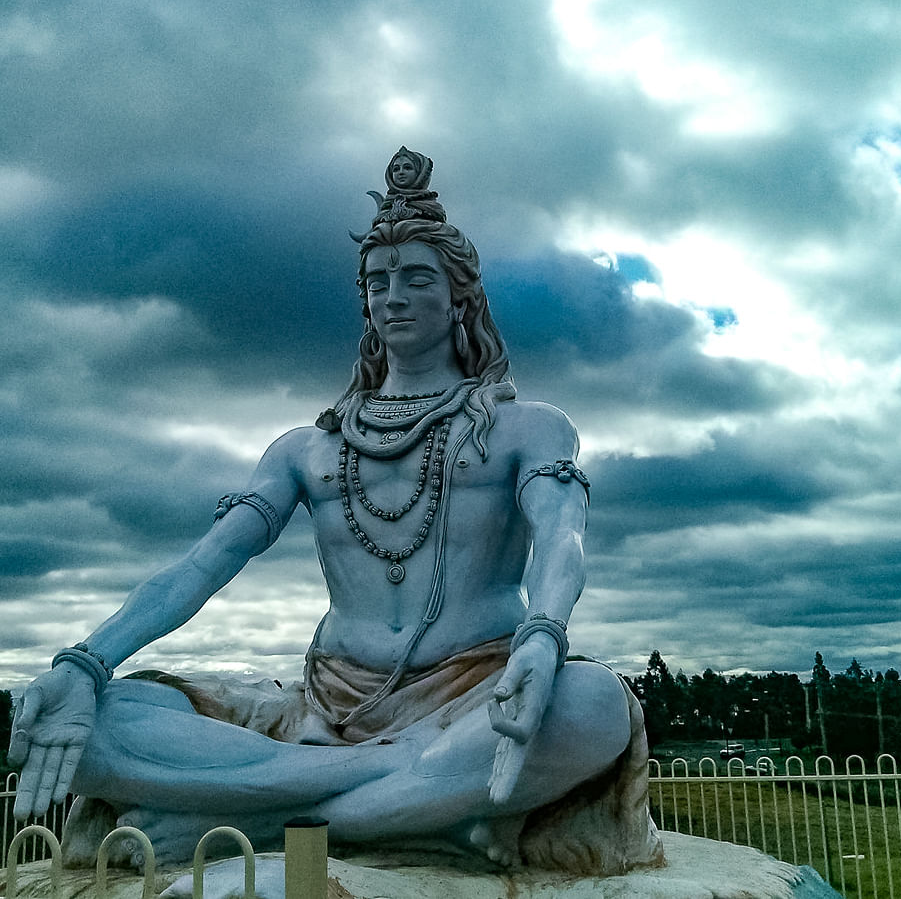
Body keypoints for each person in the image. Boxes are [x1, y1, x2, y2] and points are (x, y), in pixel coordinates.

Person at [9, 152, 662, 874]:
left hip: (474, 693)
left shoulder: (527, 427)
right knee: (84, 719)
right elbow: (202, 565)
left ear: (459, 299)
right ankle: (394, 809)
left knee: (593, 704)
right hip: (325, 711)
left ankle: (262, 819)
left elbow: (560, 532)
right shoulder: (306, 447)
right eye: (378, 282)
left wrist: (542, 639)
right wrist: (86, 662)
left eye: (417, 278)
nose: (394, 296)